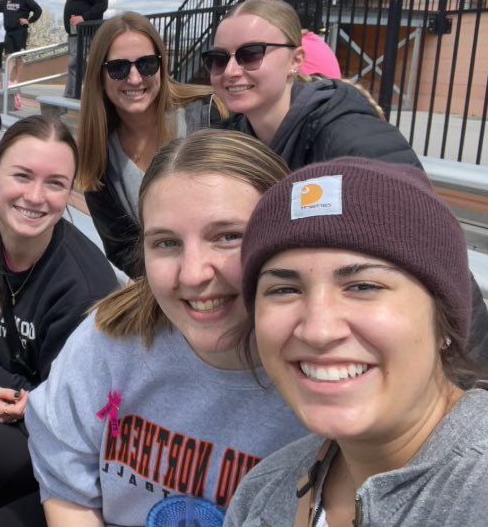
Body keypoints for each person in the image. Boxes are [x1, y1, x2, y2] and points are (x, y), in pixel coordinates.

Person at [225, 158, 488, 526]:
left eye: (363, 286)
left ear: (444, 322)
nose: (318, 330)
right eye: (284, 289)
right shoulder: (262, 494)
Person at [205, 0, 488, 381]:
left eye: (251, 54)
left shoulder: (351, 138)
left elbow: (433, 257)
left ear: (295, 60)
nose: (231, 70)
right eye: (218, 59)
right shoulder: (235, 140)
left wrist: (468, 384)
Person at [27, 129, 309, 526]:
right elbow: (68, 488)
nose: (193, 274)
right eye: (166, 243)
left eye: (228, 237)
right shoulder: (109, 337)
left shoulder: (323, 370)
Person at [0, 115, 118, 518]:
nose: (36, 197)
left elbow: (63, 411)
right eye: (22, 176)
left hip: (45, 442)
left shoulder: (85, 286)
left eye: (55, 183)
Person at [75, 11, 220, 279]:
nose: (134, 78)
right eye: (118, 68)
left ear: (161, 66)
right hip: (166, 289)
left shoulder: (208, 116)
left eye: (146, 64)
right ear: (100, 75)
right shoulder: (100, 155)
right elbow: (122, 251)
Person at [63, 0, 109, 98]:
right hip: (75, 33)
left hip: (87, 32)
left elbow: (102, 5)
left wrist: (83, 18)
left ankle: (71, 99)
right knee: (78, 66)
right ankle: (90, 95)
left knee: (75, 65)